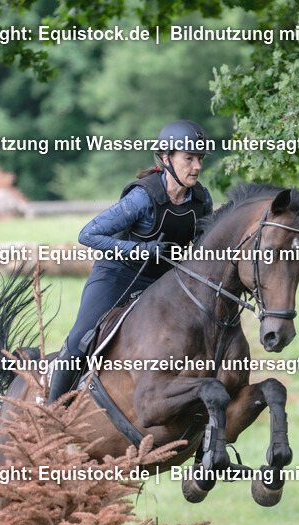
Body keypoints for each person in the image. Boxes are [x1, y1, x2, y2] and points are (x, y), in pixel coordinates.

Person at [46, 120, 214, 402]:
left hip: (163, 282)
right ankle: (53, 411)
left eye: (199, 159)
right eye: (189, 158)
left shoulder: (201, 199)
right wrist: (142, 249)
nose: (197, 166)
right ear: (165, 158)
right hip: (117, 275)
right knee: (79, 339)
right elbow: (88, 234)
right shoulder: (142, 198)